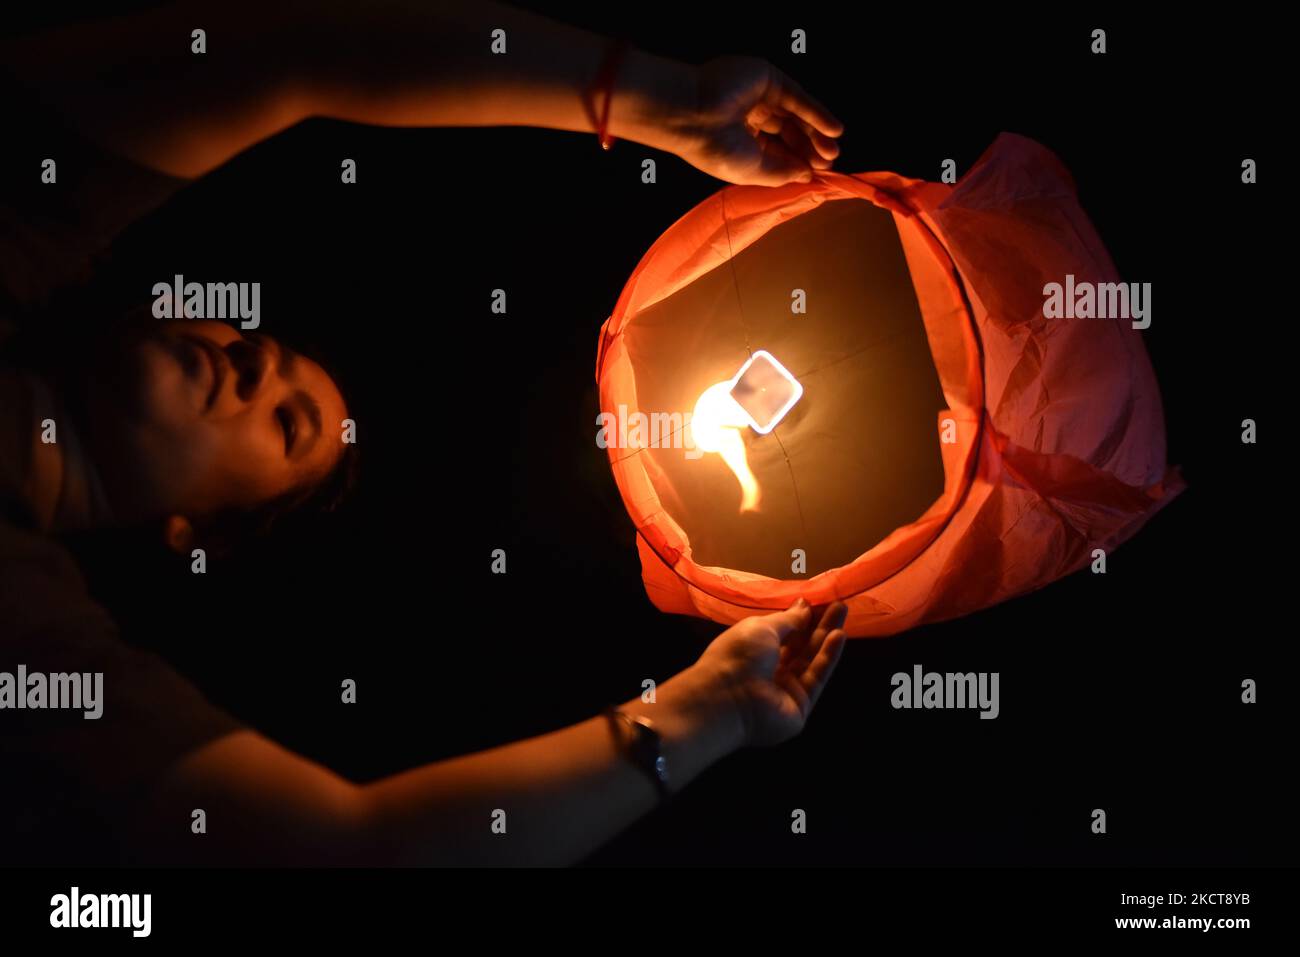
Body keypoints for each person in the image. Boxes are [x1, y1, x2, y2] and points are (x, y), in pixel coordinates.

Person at [0, 0, 847, 865]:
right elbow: (302, 56)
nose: (253, 368)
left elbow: (352, 851)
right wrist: (666, 100)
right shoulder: (25, 212)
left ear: (198, 529)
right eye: (252, 342)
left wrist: (711, 711)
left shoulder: (28, 642)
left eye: (287, 423)